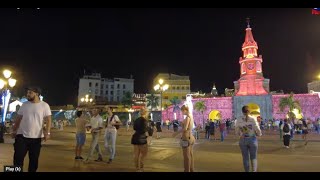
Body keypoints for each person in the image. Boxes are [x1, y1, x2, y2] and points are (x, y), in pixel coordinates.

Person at [11, 87, 52, 172]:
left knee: (33, 161)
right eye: (27, 93)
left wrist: (47, 133)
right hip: (21, 136)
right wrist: (14, 130)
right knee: (17, 158)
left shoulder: (44, 105)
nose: (28, 94)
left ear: (37, 94)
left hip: (36, 138)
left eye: (30, 93)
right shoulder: (24, 105)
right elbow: (18, 119)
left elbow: (48, 120)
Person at [235, 105, 262, 172]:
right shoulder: (253, 118)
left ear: (242, 111)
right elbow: (257, 129)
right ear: (249, 111)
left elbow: (236, 131)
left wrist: (240, 134)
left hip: (243, 140)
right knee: (254, 157)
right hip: (252, 139)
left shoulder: (238, 119)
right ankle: (254, 170)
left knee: (245, 158)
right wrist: (259, 134)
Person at [173, 105, 195, 172]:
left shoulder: (188, 117)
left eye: (182, 111)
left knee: (186, 157)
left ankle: (187, 170)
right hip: (191, 137)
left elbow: (185, 128)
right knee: (190, 155)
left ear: (185, 110)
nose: (182, 112)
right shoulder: (191, 116)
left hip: (186, 137)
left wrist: (176, 133)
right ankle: (191, 169)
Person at [131, 108, 149, 172]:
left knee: (136, 155)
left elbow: (134, 128)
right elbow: (145, 130)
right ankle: (141, 168)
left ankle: (137, 169)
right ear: (146, 113)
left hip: (135, 137)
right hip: (142, 138)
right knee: (144, 154)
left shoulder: (136, 120)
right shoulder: (145, 120)